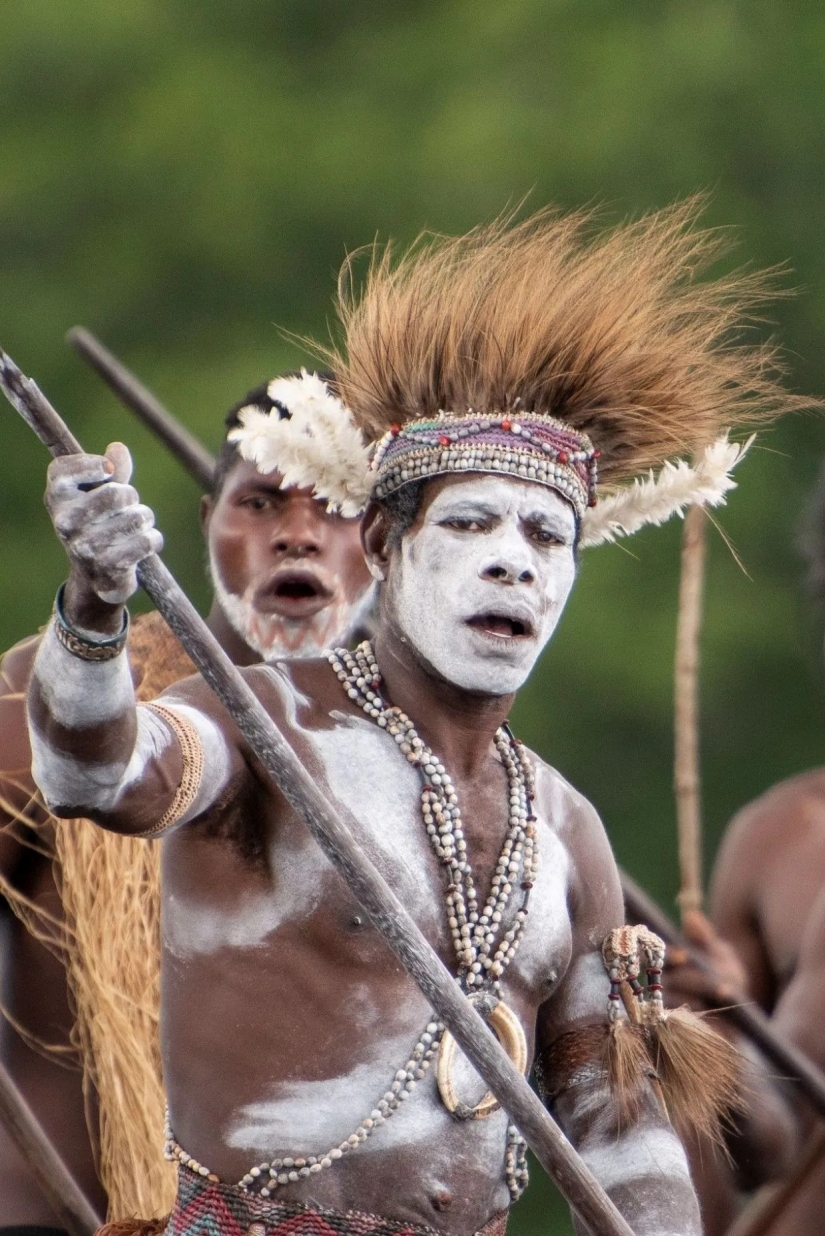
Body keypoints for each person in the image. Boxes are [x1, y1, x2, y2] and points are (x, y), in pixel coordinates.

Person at [23, 204, 803, 1236]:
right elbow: (96, 774)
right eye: (471, 523)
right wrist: (94, 605)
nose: (514, 560)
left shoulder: (567, 831)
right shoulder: (259, 720)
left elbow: (618, 1124)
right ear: (385, 548)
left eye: (546, 537)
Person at [0, 370, 373, 1227]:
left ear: (388, 538)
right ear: (206, 525)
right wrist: (93, 602)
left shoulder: (419, 767)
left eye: (335, 508)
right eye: (262, 503)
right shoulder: (54, 696)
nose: (298, 537)